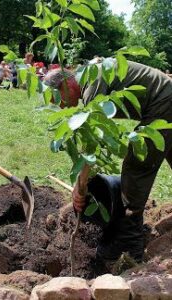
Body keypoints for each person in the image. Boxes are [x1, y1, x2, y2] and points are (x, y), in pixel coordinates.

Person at [44, 60, 172, 264]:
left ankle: (129, 244)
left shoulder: (91, 84)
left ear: (66, 85)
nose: (61, 106)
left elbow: (93, 143)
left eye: (58, 99)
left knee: (136, 165)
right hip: (166, 99)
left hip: (164, 102)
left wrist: (80, 185)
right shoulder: (90, 77)